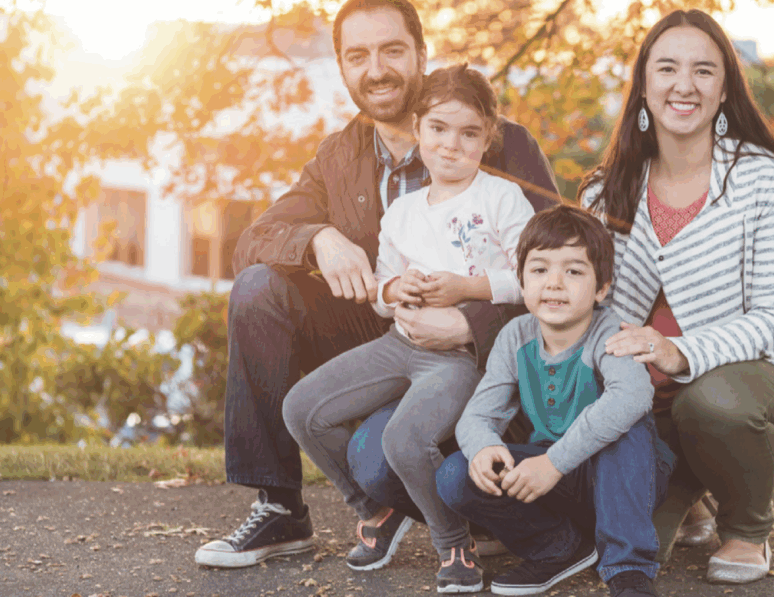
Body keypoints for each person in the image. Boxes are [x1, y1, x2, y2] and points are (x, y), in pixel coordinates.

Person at [194, 0, 558, 570]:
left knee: (378, 458)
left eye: (391, 50)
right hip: (382, 335)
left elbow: (555, 264)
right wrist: (318, 237)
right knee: (257, 288)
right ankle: (282, 508)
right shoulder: (338, 157)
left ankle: (462, 512)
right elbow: (253, 240)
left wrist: (467, 321)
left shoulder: (502, 145)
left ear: (420, 53)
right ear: (342, 66)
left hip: (475, 352)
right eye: (357, 55)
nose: (376, 69)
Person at [579, 9, 774, 585]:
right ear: (644, 85)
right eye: (667, 68)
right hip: (647, 404)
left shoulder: (767, 182)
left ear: (724, 90)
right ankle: (690, 492)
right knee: (621, 544)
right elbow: (591, 309)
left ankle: (746, 528)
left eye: (704, 71)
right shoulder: (606, 190)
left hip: (768, 392)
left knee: (711, 400)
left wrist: (682, 351)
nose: (684, 85)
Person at [281, 63, 535, 594]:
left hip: (461, 357)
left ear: (488, 137)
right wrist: (395, 290)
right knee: (302, 409)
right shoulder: (401, 210)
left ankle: (453, 544)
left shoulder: (501, 198)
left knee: (404, 437)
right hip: (397, 343)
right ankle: (375, 509)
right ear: (417, 129)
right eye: (438, 129)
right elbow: (378, 290)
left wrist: (466, 289)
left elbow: (531, 278)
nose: (451, 145)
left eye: (469, 133)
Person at [436, 205, 674, 597]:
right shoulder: (516, 336)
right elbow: (476, 415)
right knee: (456, 473)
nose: (554, 283)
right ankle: (558, 547)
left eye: (574, 271)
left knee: (627, 430)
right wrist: (483, 446)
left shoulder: (610, 331)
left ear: (602, 287)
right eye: (540, 269)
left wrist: (552, 463)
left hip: (630, 478)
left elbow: (632, 397)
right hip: (559, 478)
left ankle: (628, 568)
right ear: (522, 281)